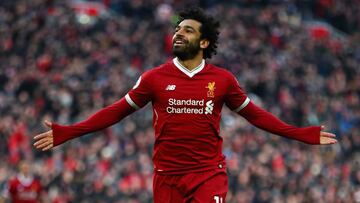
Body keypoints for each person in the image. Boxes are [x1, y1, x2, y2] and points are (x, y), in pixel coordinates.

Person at [34, 7, 337, 203]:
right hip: (166, 177)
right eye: (178, 29)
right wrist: (68, 132)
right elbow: (116, 111)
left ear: (204, 42)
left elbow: (257, 116)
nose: (179, 33)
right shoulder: (154, 78)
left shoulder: (223, 80)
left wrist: (303, 134)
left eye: (188, 30)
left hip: (207, 174)